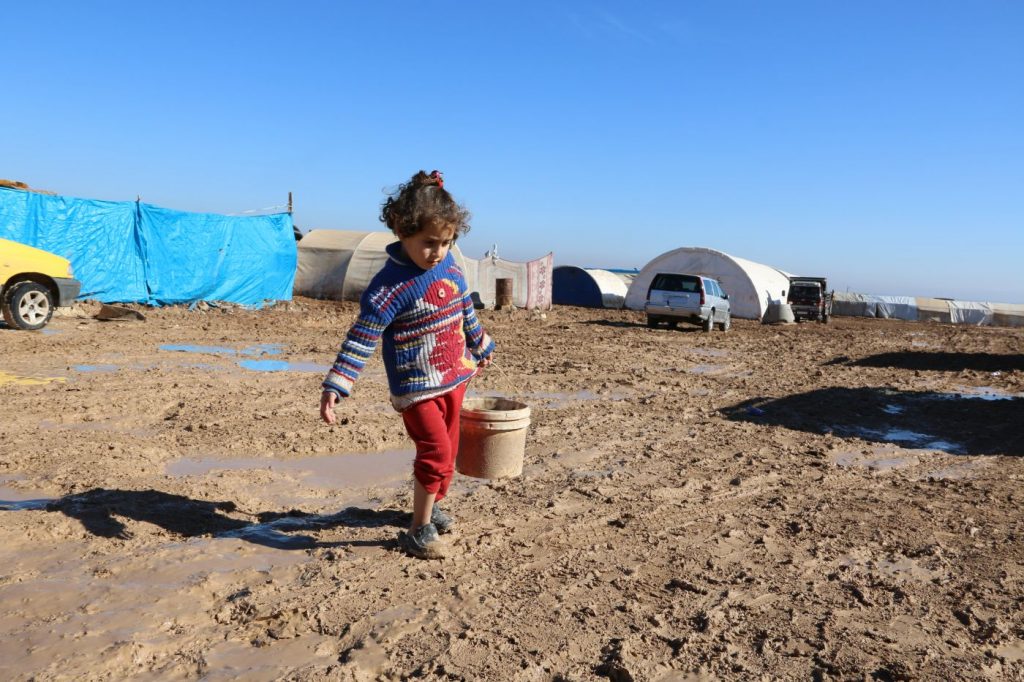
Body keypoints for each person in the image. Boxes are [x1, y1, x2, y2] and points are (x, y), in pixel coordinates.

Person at [320, 170, 495, 559]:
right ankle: (417, 530)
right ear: (402, 230)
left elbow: (464, 308)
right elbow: (362, 338)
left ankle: (430, 509)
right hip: (416, 387)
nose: (438, 252)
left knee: (449, 452)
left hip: (455, 376)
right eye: (429, 242)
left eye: (447, 242)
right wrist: (337, 384)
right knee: (434, 451)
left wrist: (480, 344)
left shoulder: (449, 266)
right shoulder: (388, 288)